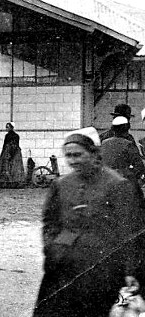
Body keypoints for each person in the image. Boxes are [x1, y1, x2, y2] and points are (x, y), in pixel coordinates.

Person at [33, 128, 142, 317]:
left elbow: (130, 232)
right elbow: (49, 222)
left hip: (102, 269)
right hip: (63, 265)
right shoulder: (61, 185)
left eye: (78, 155)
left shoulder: (117, 185)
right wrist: (51, 247)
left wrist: (130, 270)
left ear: (93, 153)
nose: (73, 161)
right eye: (68, 156)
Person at [100, 116, 145, 194]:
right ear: (127, 129)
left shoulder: (104, 143)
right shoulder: (128, 144)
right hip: (123, 184)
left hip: (104, 182)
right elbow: (139, 167)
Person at [0, 122, 25, 187]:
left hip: (12, 152)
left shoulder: (14, 136)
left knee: (12, 167)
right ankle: (8, 182)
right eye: (6, 127)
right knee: (7, 166)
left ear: (11, 128)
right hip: (9, 151)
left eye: (7, 127)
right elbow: (5, 145)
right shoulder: (9, 135)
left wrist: (10, 154)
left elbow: (14, 145)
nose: (6, 128)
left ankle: (12, 182)